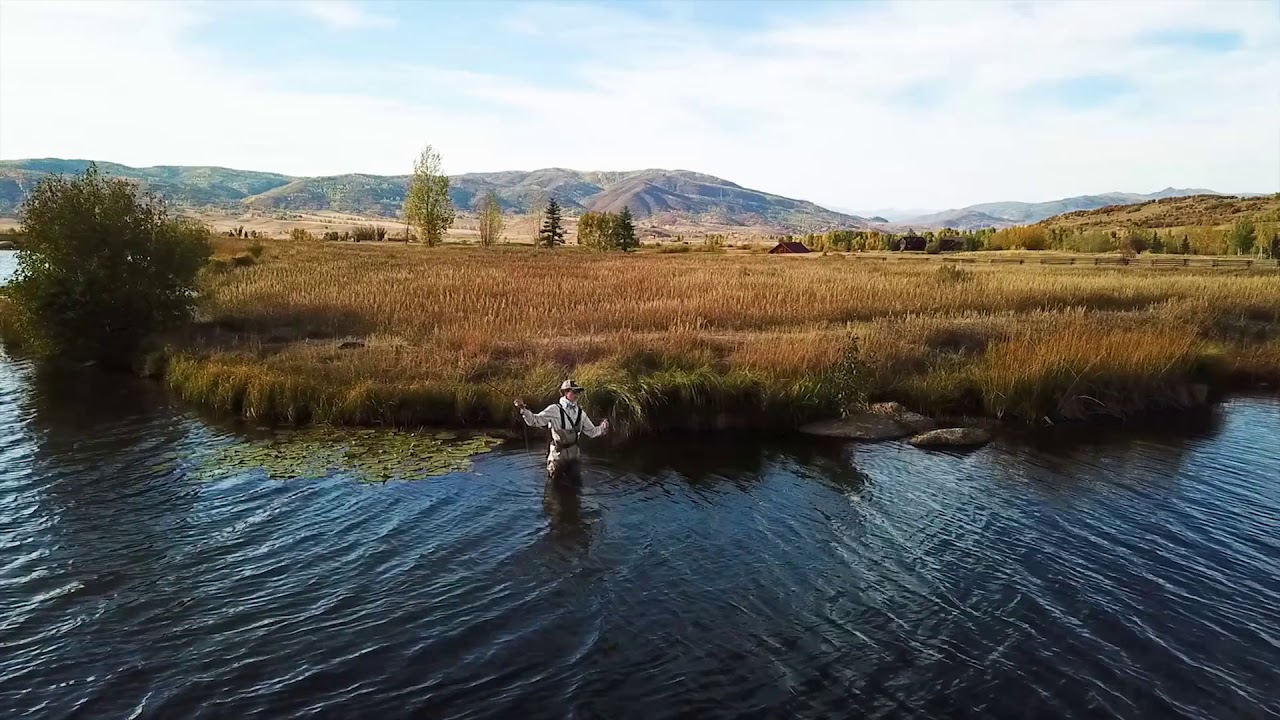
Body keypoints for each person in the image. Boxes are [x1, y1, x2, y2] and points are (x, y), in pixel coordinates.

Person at [515, 379, 608, 483]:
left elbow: (592, 432)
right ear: (565, 392)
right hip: (557, 456)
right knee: (554, 487)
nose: (577, 395)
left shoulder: (580, 413)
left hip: (574, 457)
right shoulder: (554, 409)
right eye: (574, 392)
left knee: (576, 486)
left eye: (578, 392)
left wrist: (602, 428)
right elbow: (535, 421)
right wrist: (524, 410)